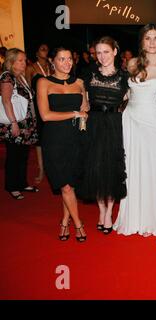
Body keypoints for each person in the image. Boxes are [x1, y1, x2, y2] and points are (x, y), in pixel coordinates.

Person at [113, 24, 156, 236]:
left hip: (155, 124)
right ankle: (134, 214)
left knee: (154, 169)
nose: (152, 42)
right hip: (131, 122)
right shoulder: (133, 64)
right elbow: (127, 92)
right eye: (148, 38)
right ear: (142, 42)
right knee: (132, 168)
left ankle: (152, 215)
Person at [77, 36, 128, 234]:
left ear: (115, 51)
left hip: (115, 125)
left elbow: (131, 104)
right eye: (98, 52)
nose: (102, 56)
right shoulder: (88, 75)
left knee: (112, 168)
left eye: (106, 51)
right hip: (95, 125)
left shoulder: (125, 77)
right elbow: (84, 104)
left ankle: (109, 214)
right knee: (96, 168)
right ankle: (101, 211)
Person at [37, 47, 89, 242]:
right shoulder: (43, 82)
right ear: (53, 61)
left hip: (77, 138)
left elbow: (85, 109)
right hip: (55, 139)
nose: (67, 63)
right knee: (65, 186)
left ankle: (64, 221)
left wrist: (85, 106)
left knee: (71, 184)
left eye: (69, 59)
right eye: (61, 59)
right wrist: (74, 113)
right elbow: (45, 115)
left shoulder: (79, 83)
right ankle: (78, 224)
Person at [0, 48, 39, 200]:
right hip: (15, 123)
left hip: (26, 124)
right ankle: (12, 186)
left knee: (23, 155)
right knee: (14, 155)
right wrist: (14, 123)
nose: (24, 63)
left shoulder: (20, 76)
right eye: (20, 61)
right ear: (11, 62)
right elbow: (6, 100)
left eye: (24, 60)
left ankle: (22, 183)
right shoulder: (7, 77)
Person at [26, 43, 54, 184]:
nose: (46, 51)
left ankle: (52, 168)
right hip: (38, 105)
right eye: (43, 49)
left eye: (47, 49)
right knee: (40, 140)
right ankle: (42, 169)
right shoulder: (31, 68)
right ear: (37, 53)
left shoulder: (51, 66)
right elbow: (27, 89)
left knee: (53, 137)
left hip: (54, 105)